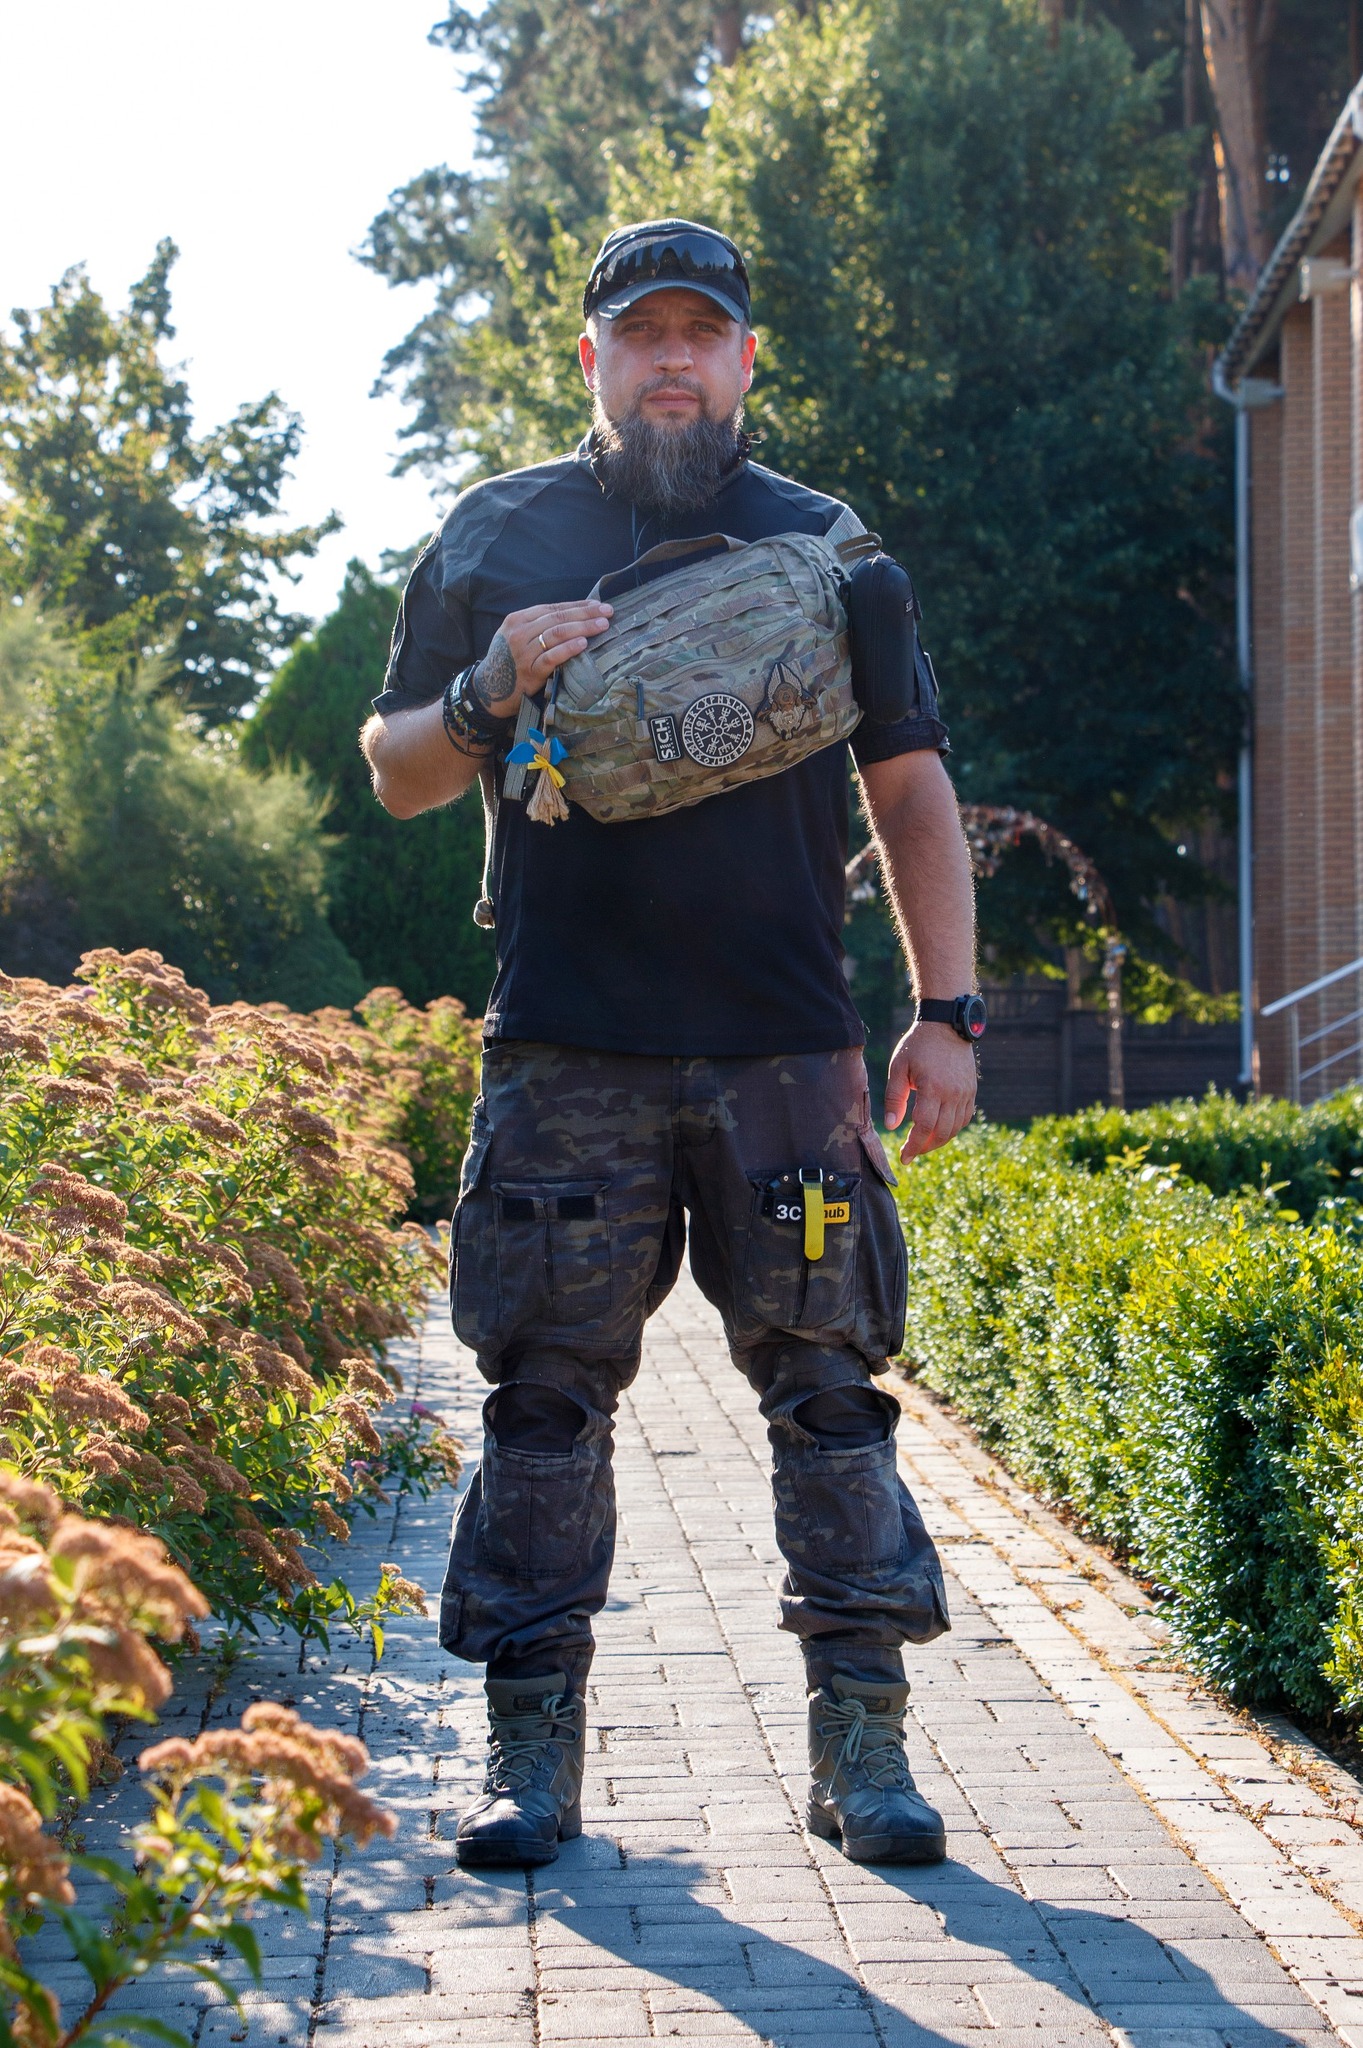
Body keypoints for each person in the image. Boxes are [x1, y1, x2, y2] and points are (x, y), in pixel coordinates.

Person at [362, 219, 981, 1872]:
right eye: (644, 336)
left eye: (703, 335)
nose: (674, 362)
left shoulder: (830, 550)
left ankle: (865, 1748)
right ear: (594, 358)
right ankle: (531, 1755)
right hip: (566, 1047)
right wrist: (487, 690)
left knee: (832, 1396)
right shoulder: (497, 532)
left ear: (747, 359)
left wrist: (948, 1011)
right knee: (542, 1406)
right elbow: (395, 770)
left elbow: (910, 781)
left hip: (788, 1052)